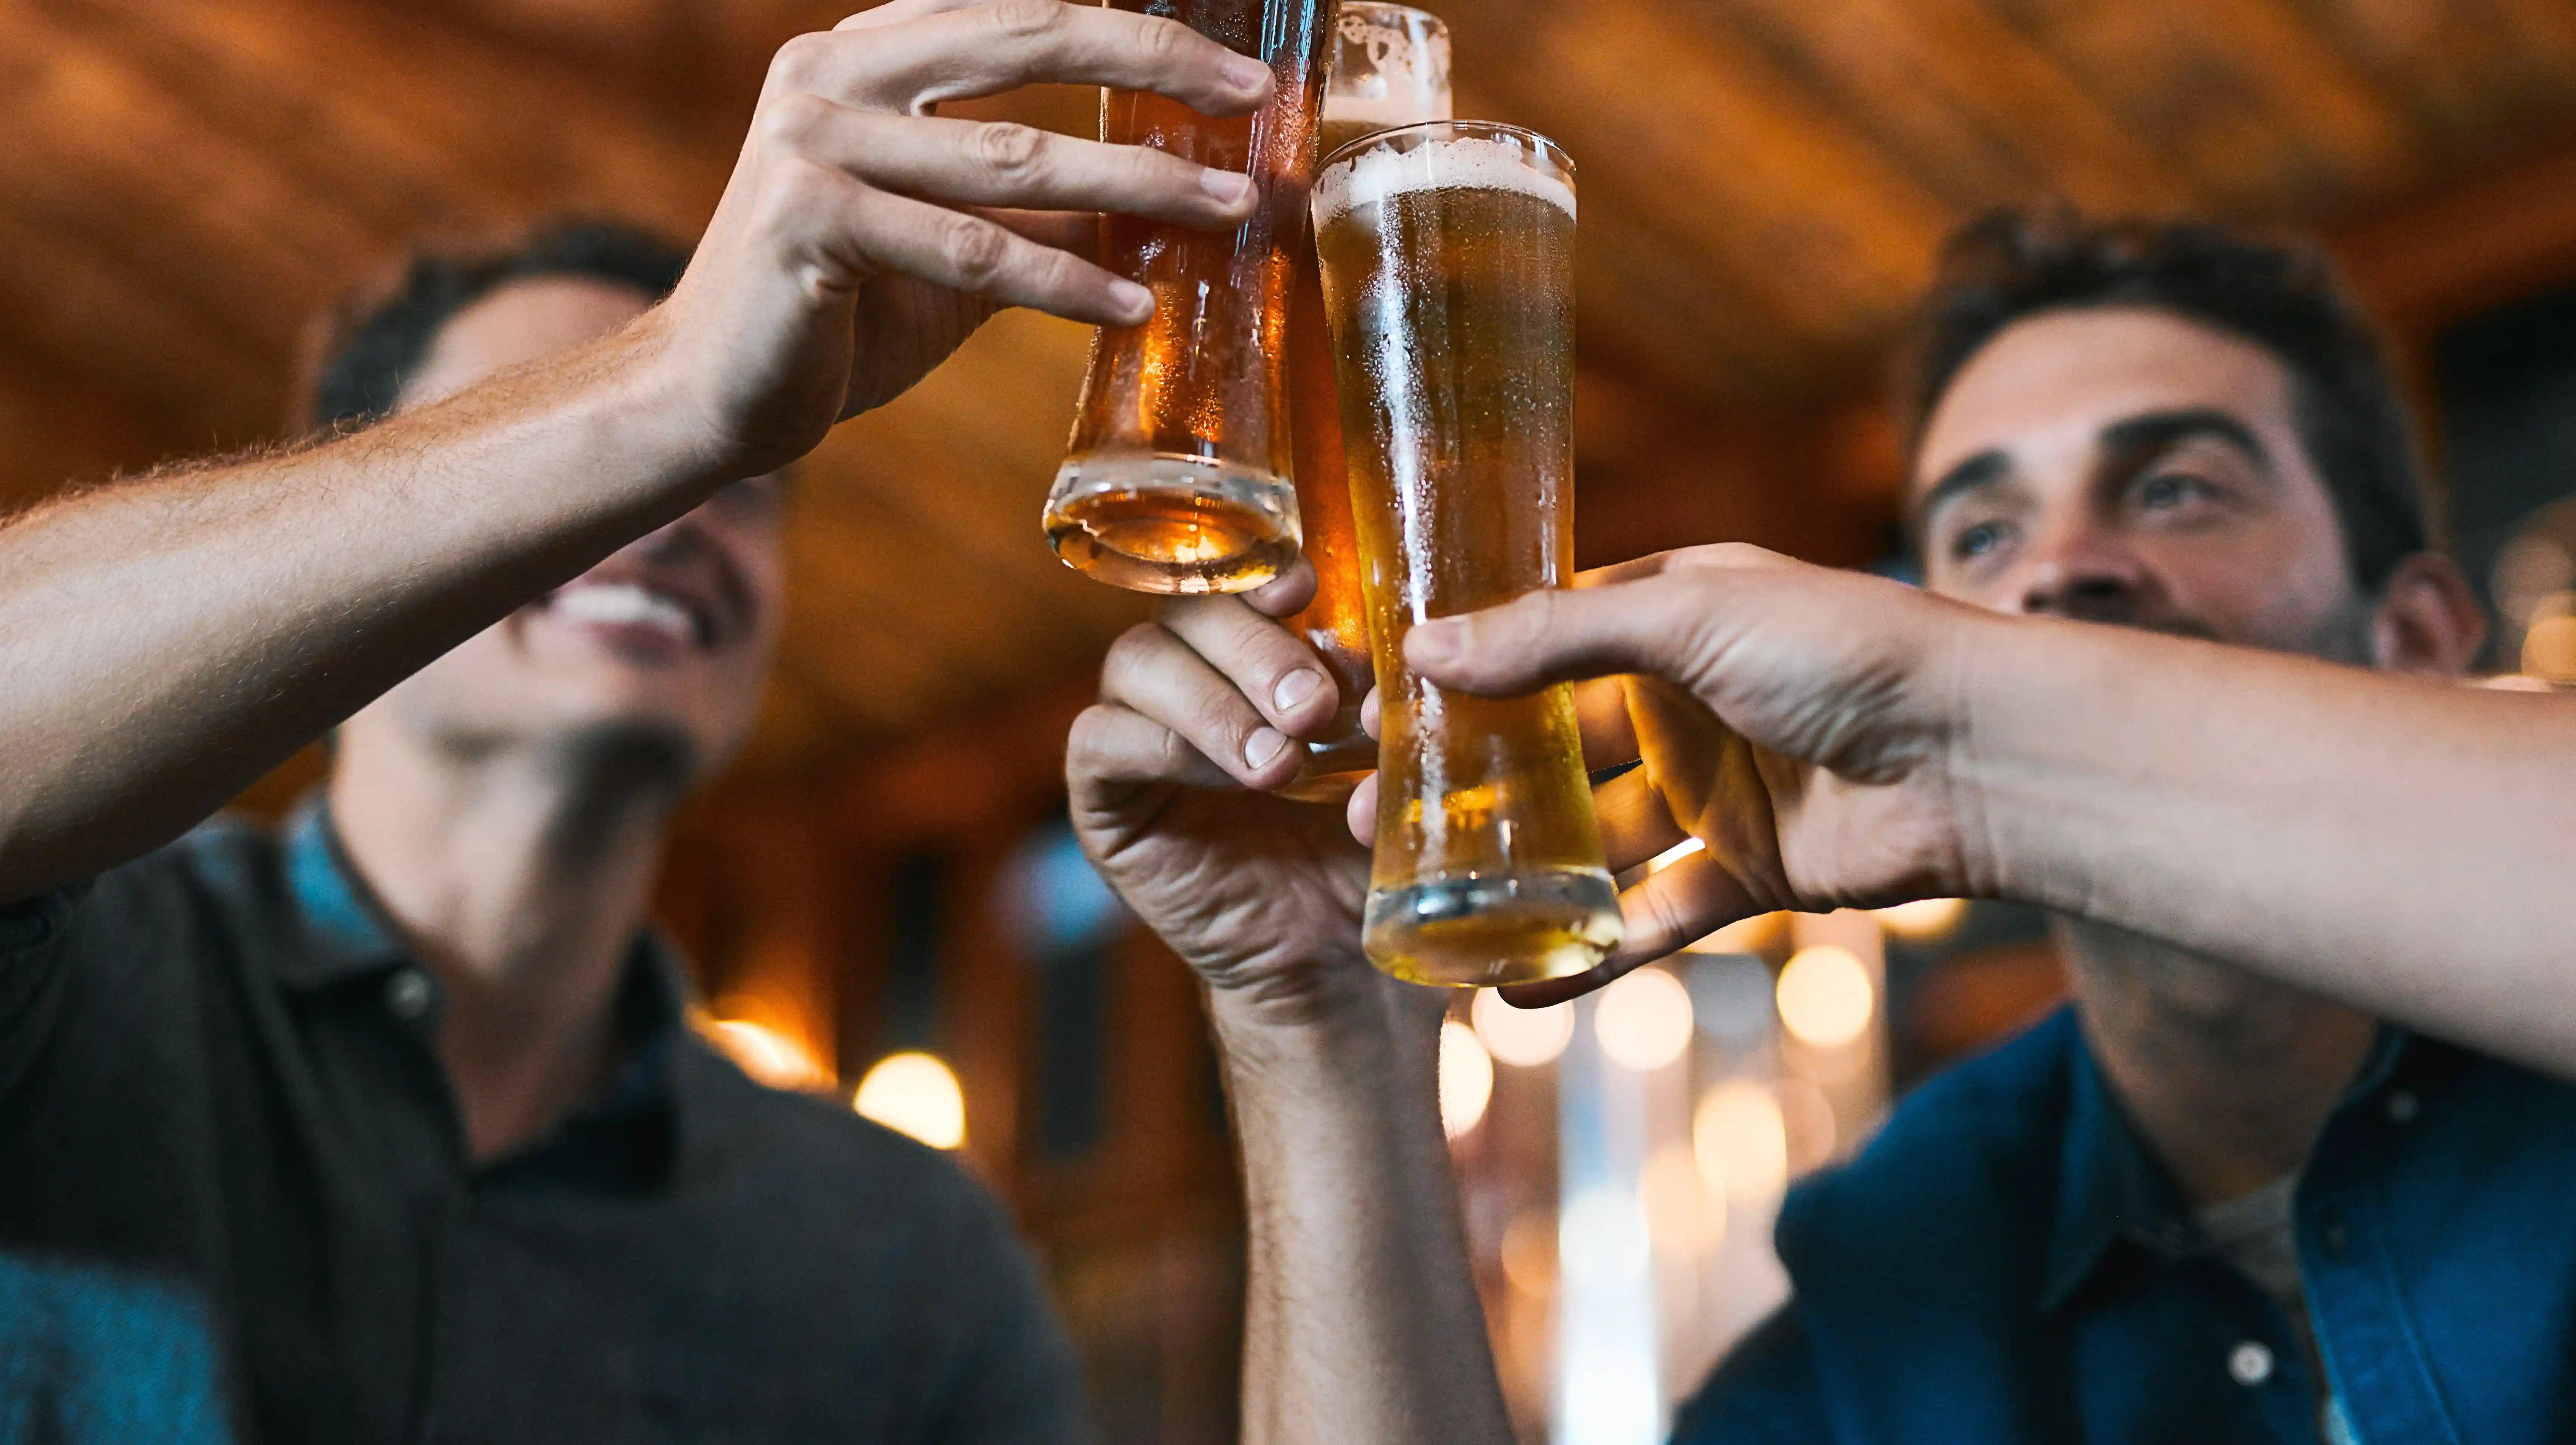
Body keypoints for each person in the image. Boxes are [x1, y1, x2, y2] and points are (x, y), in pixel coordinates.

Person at [0, 0, 1279, 1443]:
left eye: (748, 468)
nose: (673, 511)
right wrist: (666, 395)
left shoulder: (901, 1254)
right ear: (361, 534)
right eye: (562, 445)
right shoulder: (74, 973)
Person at [1067, 212, 2576, 1445]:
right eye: (1979, 538)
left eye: (2174, 488)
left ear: (2419, 634)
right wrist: (1320, 1025)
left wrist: (1980, 744)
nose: (2056, 577)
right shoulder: (1905, 1268)